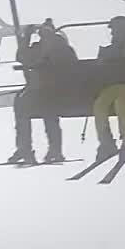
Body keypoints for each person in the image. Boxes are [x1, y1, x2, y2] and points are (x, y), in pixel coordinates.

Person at [6, 20, 76, 165]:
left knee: (48, 109)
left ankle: (55, 150)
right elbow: (21, 57)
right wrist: (26, 38)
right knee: (22, 104)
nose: (44, 36)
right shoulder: (37, 48)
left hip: (58, 91)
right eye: (42, 33)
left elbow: (71, 67)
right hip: (39, 90)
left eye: (47, 33)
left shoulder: (63, 49)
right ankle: (24, 148)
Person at [90, 15, 125, 161]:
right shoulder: (109, 50)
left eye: (115, 31)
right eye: (113, 31)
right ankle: (106, 141)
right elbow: (100, 67)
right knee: (100, 104)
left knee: (121, 103)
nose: (113, 34)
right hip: (111, 87)